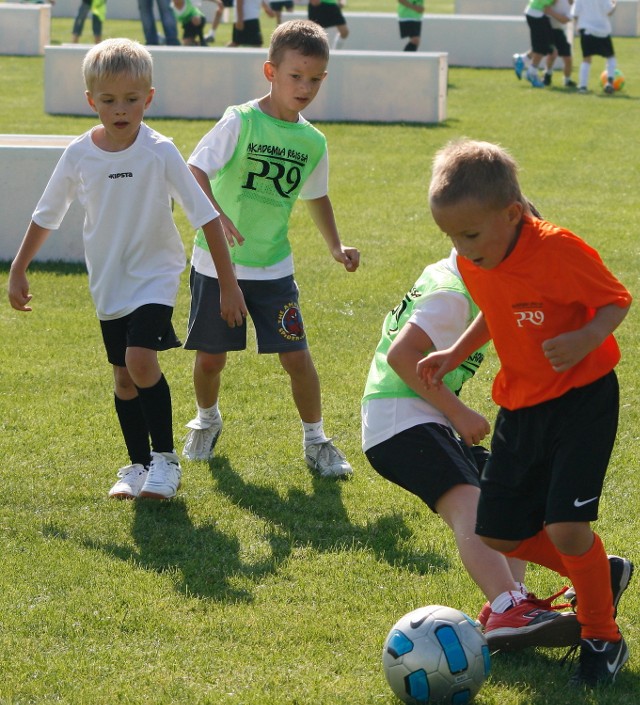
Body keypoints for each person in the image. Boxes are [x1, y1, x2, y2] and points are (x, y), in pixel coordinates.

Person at [418, 139, 633, 686]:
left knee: (565, 525)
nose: (461, 249)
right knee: (499, 533)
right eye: (451, 238)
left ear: (512, 214)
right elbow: (494, 311)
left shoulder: (558, 250)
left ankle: (601, 635)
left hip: (581, 399)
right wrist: (454, 354)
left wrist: (586, 336)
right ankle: (597, 576)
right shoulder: (478, 259)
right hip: (520, 404)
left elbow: (617, 299)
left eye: (469, 235)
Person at [8, 38, 246, 502]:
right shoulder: (79, 154)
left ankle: (166, 462)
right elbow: (46, 214)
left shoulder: (160, 151)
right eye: (109, 101)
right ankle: (137, 466)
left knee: (140, 362)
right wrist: (19, 267)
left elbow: (206, 217)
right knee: (122, 377)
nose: (121, 110)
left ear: (149, 98)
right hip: (109, 282)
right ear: (91, 101)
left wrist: (228, 286)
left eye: (132, 100)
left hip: (155, 275)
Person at [362, 247, 581, 649]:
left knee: (509, 497)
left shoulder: (468, 283)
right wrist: (460, 413)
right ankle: (507, 603)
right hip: (401, 420)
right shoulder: (453, 294)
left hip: (426, 418)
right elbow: (401, 356)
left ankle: (514, 603)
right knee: (470, 504)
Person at [183, 20, 360, 479]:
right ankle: (206, 420)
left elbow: (316, 195)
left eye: (315, 78)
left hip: (273, 268)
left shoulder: (312, 141)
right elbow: (194, 170)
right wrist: (214, 213)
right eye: (295, 76)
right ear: (270, 71)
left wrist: (336, 245)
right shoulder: (239, 120)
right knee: (210, 359)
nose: (305, 87)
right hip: (216, 264)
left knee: (297, 358)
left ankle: (317, 440)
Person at [517, 0, 571, 87]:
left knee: (545, 48)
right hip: (536, 13)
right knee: (542, 47)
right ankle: (530, 72)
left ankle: (523, 60)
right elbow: (553, 4)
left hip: (536, 12)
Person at [572, 0, 618, 93]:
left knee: (586, 59)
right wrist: (615, 3)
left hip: (586, 29)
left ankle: (583, 87)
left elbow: (575, 13)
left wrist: (577, 26)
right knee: (610, 57)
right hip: (602, 31)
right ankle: (609, 82)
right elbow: (609, 11)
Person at [544, 0, 576, 86]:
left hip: (560, 31)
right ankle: (547, 76)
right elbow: (545, 7)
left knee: (568, 59)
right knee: (552, 54)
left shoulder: (574, 7)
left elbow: (564, 20)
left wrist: (551, 12)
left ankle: (567, 81)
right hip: (548, 29)